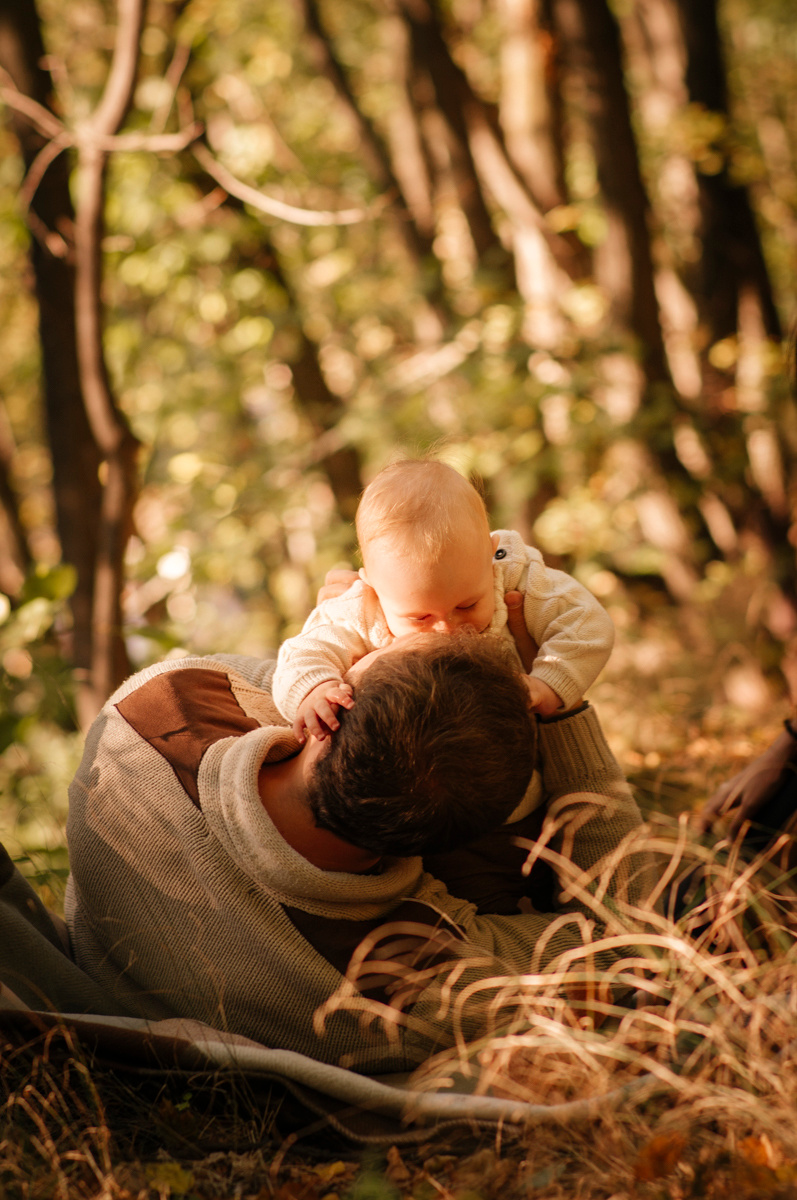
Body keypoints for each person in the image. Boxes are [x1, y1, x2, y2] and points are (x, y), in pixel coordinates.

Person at [64, 629, 646, 1074]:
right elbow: (631, 935)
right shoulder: (415, 973)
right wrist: (564, 713)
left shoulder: (162, 705)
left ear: (325, 721)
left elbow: (298, 685)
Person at [272, 460, 616, 752]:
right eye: (420, 617)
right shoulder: (360, 609)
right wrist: (316, 690)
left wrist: (548, 684)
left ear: (490, 554)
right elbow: (302, 653)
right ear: (372, 585)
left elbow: (587, 623)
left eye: (467, 605)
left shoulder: (516, 578)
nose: (448, 629)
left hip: (520, 763)